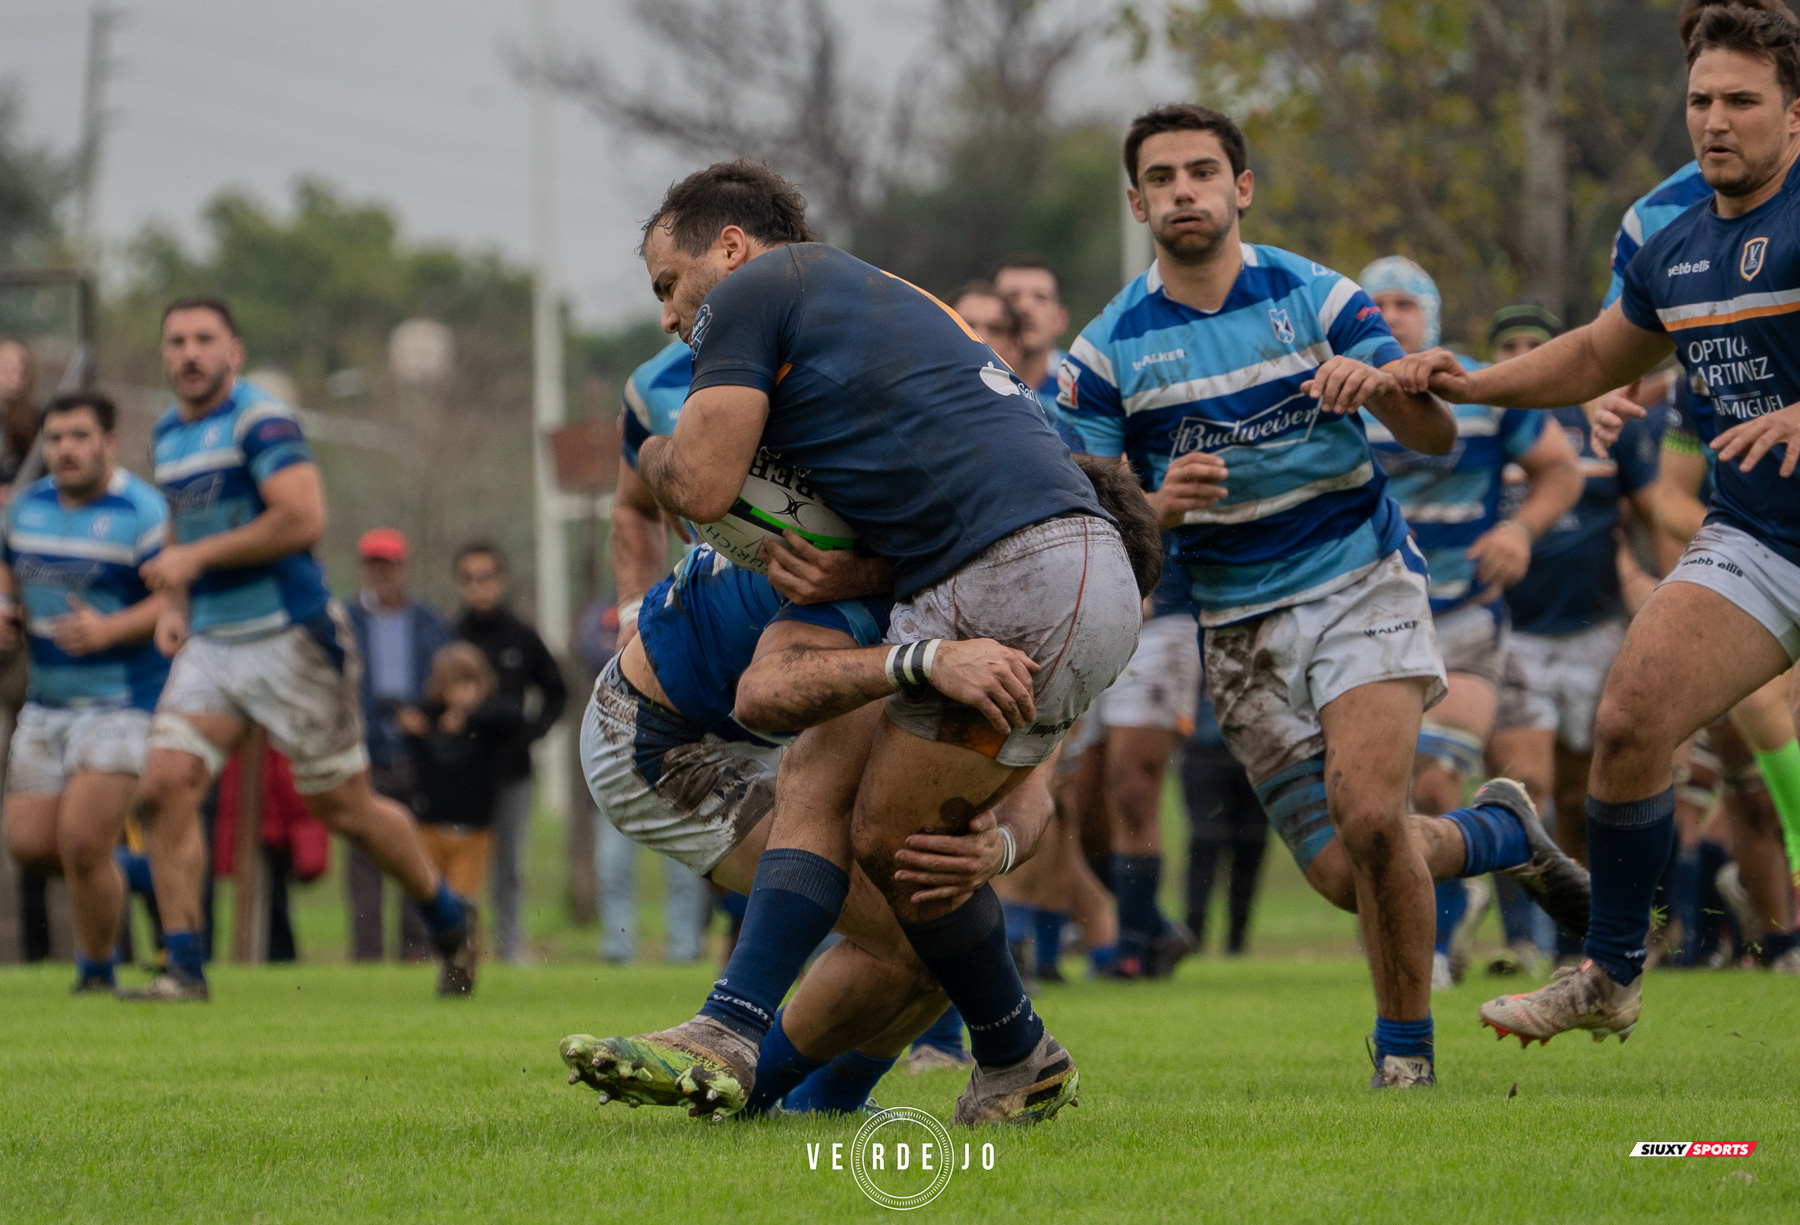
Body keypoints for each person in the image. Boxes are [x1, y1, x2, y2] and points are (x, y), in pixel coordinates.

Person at [1056, 103, 1589, 1089]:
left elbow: (1433, 436)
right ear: (1136, 200)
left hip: (1361, 582)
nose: (1184, 190)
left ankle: (1405, 1056)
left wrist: (1380, 385)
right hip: (1237, 627)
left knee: (1373, 815)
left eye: (1202, 172)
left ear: (1240, 188)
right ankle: (1499, 832)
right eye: (1162, 177)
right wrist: (1156, 504)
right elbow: (1086, 521)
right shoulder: (1103, 354)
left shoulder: (1320, 298)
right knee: (1349, 873)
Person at [605, 158, 1144, 1126]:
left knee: (884, 840)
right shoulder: (900, 302)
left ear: (728, 249)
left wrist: (648, 451)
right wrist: (862, 574)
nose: (669, 316)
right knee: (871, 821)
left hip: (1016, 573)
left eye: (668, 284)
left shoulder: (759, 285)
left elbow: (703, 486)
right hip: (1058, 571)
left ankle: (984, 1048)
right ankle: (971, 1054)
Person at [1393, 2, 1800, 1041]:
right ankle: (1608, 974)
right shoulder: (1670, 235)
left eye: (1742, 102)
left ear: (1794, 114)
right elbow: (1593, 354)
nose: (1715, 121)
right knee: (1633, 714)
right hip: (1763, 535)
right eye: (1701, 100)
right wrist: (1474, 385)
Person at [126, 296, 475, 1000]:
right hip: (214, 643)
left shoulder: (260, 420)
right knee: (164, 784)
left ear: (234, 353)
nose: (188, 353)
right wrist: (171, 602)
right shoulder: (168, 433)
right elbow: (180, 527)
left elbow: (302, 518)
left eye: (203, 339)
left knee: (345, 810)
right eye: (176, 341)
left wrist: (193, 565)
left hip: (293, 639)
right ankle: (183, 965)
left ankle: (446, 915)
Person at [1356, 267, 1585, 989]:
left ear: (1432, 314)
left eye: (1405, 305)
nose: (1391, 317)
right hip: (1375, 616)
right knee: (1413, 789)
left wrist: (1522, 529)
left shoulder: (1478, 388)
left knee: (1458, 776)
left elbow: (1561, 470)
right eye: (1377, 305)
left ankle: (1486, 943)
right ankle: (1448, 926)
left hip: (1468, 612)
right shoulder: (1341, 394)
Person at [1484, 305, 1667, 973]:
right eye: (1511, 345)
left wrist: (1666, 581)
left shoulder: (1604, 423)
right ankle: (1519, 938)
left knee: (1579, 797)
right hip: (1515, 633)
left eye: (1537, 344)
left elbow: (1656, 511)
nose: (1523, 352)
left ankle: (1576, 939)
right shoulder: (1488, 428)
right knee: (1521, 782)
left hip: (1596, 629)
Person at [0, 392, 169, 992]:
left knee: (80, 844)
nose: (65, 450)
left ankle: (96, 971)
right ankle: (149, 872)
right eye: (54, 439)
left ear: (108, 443)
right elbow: (5, 561)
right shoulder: (26, 508)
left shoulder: (143, 511)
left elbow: (175, 599)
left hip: (121, 700)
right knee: (30, 847)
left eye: (78, 436)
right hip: (46, 704)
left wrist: (110, 629)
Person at [452, 542, 568, 966]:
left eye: (486, 577)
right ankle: (463, 945)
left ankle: (510, 943)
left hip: (511, 771)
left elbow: (556, 691)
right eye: (468, 578)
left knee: (510, 866)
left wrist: (529, 733)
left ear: (500, 580)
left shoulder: (521, 636)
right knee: (464, 863)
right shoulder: (452, 636)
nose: (478, 587)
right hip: (462, 773)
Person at [344, 527, 450, 962]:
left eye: (387, 564)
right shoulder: (346, 620)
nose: (380, 573)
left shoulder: (429, 622)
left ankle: (415, 954)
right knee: (364, 862)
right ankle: (366, 957)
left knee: (415, 855)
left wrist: (424, 715)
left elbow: (447, 678)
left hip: (416, 755)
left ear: (402, 568)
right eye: (373, 564)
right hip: (363, 754)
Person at [399, 643, 521, 963]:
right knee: (431, 900)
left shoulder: (489, 724)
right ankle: (435, 957)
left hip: (473, 831)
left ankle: (463, 963)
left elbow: (513, 715)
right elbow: (393, 708)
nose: (466, 692)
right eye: (457, 685)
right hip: (430, 826)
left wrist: (469, 719)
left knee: (465, 902)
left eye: (472, 684)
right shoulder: (427, 719)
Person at [1181, 687, 1265, 956]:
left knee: (1250, 848)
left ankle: (1236, 942)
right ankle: (1192, 937)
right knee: (1205, 842)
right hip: (1203, 750)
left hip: (1255, 754)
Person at [994, 255, 1071, 398]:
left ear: (1060, 319)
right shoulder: (966, 381)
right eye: (1011, 297)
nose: (1024, 307)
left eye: (1040, 297)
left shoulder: (1087, 383)